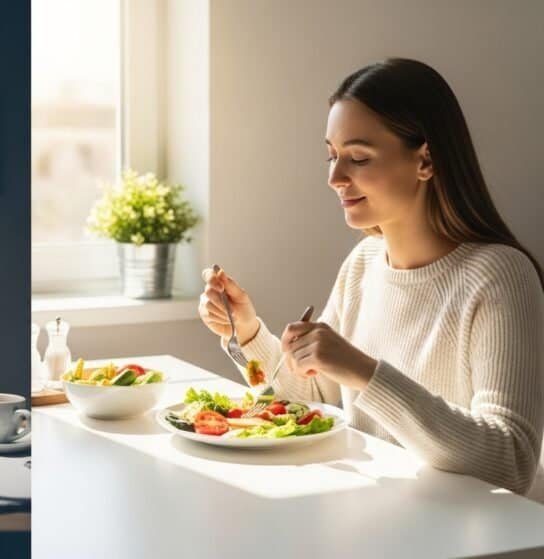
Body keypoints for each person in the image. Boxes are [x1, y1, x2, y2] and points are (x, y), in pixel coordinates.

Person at [198, 58, 544, 496]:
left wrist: (364, 371)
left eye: (358, 158)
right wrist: (247, 332)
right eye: (331, 155)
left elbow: (509, 460)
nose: (334, 177)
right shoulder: (363, 263)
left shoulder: (499, 276)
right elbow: (313, 402)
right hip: (370, 516)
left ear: (426, 160)